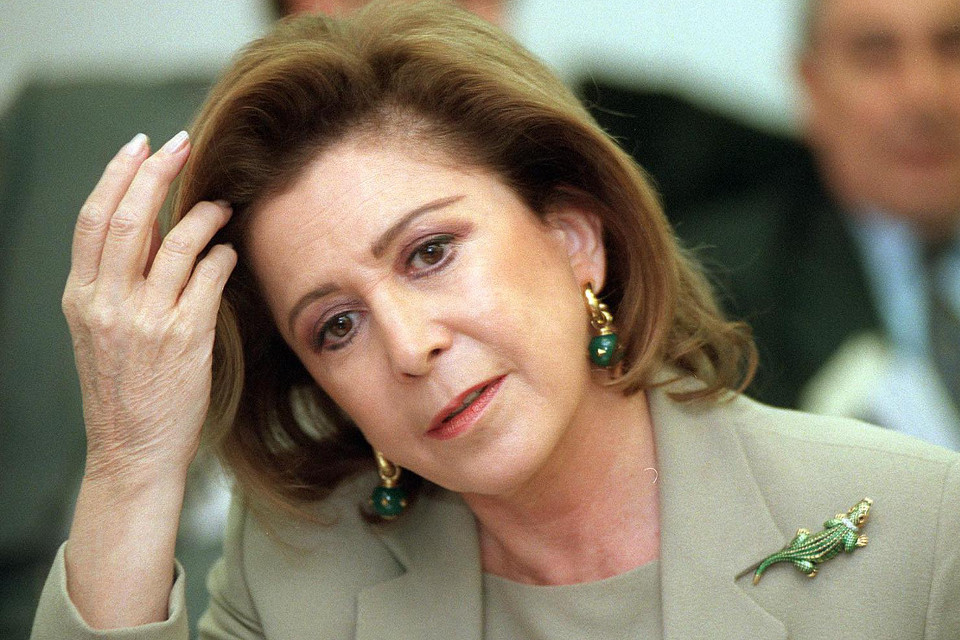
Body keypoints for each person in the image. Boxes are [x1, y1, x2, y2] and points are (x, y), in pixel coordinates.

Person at [30, 2, 960, 638]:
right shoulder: (300, 573)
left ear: (574, 239)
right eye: (336, 326)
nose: (409, 345)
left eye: (430, 252)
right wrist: (131, 463)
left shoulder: (915, 521)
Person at [656, 0, 960, 449]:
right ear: (811, 86)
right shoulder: (715, 293)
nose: (924, 95)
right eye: (876, 56)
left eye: (952, 48)